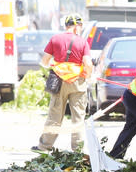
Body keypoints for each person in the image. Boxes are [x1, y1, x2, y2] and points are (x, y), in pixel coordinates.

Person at [32, 14, 92, 152]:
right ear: (77, 26)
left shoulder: (55, 39)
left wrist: (52, 71)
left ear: (67, 26)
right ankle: (78, 150)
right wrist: (88, 75)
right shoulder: (82, 42)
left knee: (54, 116)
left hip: (59, 82)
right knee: (78, 118)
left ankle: (44, 146)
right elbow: (88, 63)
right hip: (78, 82)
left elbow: (44, 61)